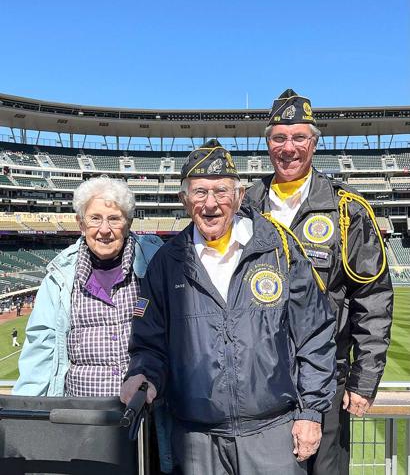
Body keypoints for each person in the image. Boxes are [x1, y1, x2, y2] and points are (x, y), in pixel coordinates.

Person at [121, 139, 337, 475]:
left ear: (238, 197)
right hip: (197, 441)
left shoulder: (279, 249)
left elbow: (315, 335)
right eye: (199, 192)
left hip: (273, 434)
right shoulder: (166, 264)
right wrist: (143, 375)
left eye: (221, 191)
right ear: (183, 200)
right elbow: (150, 343)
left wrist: (311, 412)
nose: (211, 204)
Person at [245, 89, 394, 475]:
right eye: (279, 138)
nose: (288, 148)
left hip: (327, 380)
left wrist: (364, 380)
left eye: (299, 138)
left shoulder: (348, 210)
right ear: (267, 143)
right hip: (261, 381)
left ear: (314, 142)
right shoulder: (246, 207)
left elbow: (373, 299)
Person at [13, 176, 163, 397]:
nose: (104, 229)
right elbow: (41, 349)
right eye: (95, 218)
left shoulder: (155, 264)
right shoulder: (59, 278)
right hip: (80, 417)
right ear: (81, 224)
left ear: (129, 224)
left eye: (114, 219)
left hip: (144, 413)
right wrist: (27, 414)